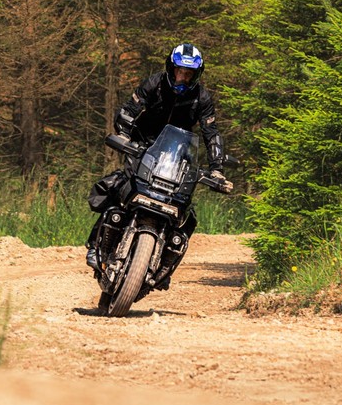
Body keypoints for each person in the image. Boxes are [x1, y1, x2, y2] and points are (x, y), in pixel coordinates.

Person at [86, 42, 233, 274]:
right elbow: (128, 111)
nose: (183, 77)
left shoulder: (202, 98)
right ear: (171, 68)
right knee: (122, 186)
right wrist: (124, 135)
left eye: (189, 73)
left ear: (196, 74)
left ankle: (165, 266)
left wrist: (217, 169)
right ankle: (95, 245)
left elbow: (211, 133)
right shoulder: (154, 84)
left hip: (178, 156)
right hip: (143, 146)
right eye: (180, 71)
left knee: (186, 211)